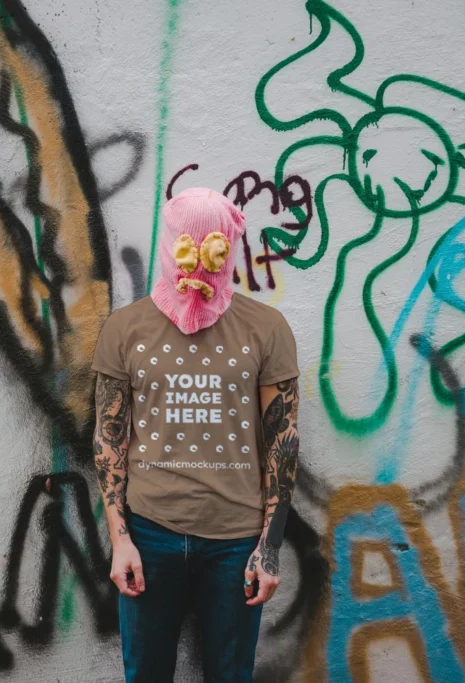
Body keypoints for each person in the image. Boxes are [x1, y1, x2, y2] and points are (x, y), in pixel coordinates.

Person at [91, 187, 300, 682]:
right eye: (188, 247)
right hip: (149, 534)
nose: (198, 267)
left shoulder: (265, 329)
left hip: (235, 543)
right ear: (171, 246)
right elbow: (108, 439)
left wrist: (268, 548)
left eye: (213, 249)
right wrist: (120, 540)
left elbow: (283, 443)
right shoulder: (126, 328)